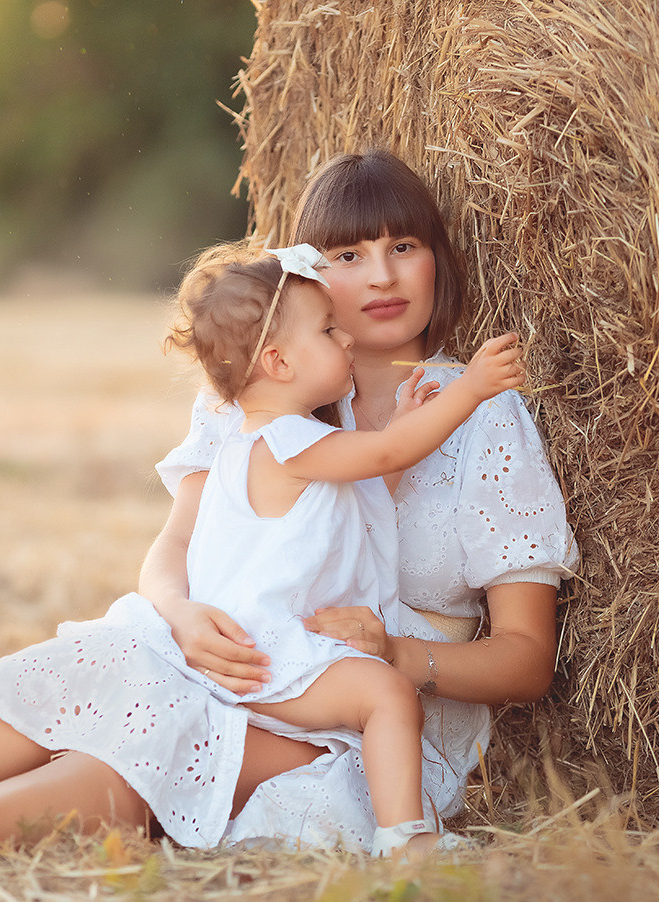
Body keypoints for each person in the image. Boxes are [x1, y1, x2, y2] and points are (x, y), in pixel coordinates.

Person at [0, 149, 577, 868]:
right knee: (89, 668)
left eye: (405, 247)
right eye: (348, 254)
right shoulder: (253, 400)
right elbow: (174, 547)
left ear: (438, 258)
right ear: (306, 277)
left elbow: (525, 660)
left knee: (160, 732)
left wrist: (398, 660)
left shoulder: (481, 418)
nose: (382, 276)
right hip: (233, 664)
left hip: (362, 731)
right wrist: (181, 616)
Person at [158, 241, 523, 857]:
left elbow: (366, 492)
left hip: (251, 654)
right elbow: (386, 454)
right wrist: (472, 389)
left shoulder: (260, 442)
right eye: (329, 330)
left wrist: (399, 417)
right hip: (268, 655)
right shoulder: (286, 439)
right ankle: (406, 839)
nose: (347, 338)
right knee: (385, 693)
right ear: (277, 362)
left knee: (378, 693)